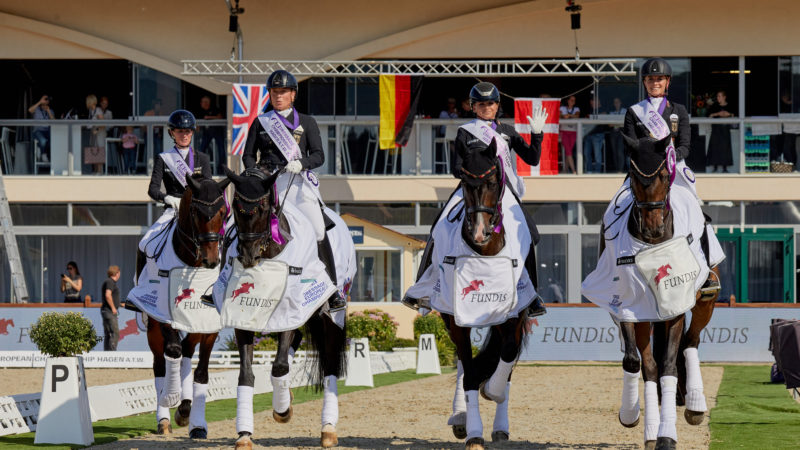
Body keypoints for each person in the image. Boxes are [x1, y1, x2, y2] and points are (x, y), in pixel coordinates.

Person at [434, 81, 548, 316]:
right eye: (482, 104)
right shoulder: (465, 132)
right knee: (440, 225)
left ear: (497, 106)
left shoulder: (507, 131)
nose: (487, 107)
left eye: (491, 103)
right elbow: (456, 168)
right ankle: (426, 286)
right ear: (473, 107)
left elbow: (533, 159)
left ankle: (531, 295)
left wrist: (537, 135)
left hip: (503, 191)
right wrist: (473, 174)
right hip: (472, 190)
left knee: (531, 233)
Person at [242, 69, 346, 312]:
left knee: (319, 229)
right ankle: (222, 281)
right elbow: (248, 155)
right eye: (274, 92)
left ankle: (332, 288)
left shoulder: (307, 122)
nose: (278, 96)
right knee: (236, 224)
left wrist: (301, 163)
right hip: (267, 183)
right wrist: (255, 174)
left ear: (293, 95)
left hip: (298, 182)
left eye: (283, 92)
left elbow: (319, 155)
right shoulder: (261, 121)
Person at [139, 110, 212, 254]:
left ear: (192, 132)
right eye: (179, 131)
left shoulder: (202, 158)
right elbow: (152, 189)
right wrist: (167, 198)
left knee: (218, 243)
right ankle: (142, 277)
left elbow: (208, 189)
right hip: (173, 210)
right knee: (145, 243)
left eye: (187, 131)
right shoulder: (163, 158)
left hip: (197, 211)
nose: (184, 135)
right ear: (172, 133)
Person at [624, 58, 694, 197]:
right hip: (643, 169)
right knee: (616, 206)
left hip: (674, 167)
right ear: (644, 82)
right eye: (650, 79)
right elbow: (630, 147)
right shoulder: (634, 111)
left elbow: (685, 146)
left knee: (692, 203)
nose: (655, 83)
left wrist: (671, 157)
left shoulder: (679, 110)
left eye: (660, 79)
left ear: (667, 82)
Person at [707, 90, 735, 172]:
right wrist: (718, 114)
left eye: (720, 96)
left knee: (725, 148)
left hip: (725, 130)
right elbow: (709, 116)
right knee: (715, 148)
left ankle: (725, 167)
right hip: (716, 130)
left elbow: (735, 115)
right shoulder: (714, 106)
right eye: (717, 96)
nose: (718, 98)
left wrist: (728, 114)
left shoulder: (730, 106)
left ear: (724, 97)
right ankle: (715, 167)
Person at [195, 95, 225, 173]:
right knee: (201, 149)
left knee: (221, 150)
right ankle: (200, 168)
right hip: (207, 134)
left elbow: (220, 117)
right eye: (203, 102)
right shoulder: (200, 111)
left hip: (217, 133)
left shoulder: (214, 109)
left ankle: (220, 169)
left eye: (206, 102)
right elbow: (198, 125)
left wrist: (209, 117)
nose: (204, 104)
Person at [582, 98, 609, 173]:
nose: (592, 102)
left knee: (597, 154)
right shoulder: (589, 110)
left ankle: (597, 171)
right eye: (591, 101)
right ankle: (589, 170)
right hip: (588, 135)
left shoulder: (602, 109)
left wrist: (593, 117)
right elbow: (585, 119)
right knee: (586, 153)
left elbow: (604, 115)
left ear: (598, 102)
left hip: (598, 134)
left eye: (593, 101)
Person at [28, 95, 55, 163]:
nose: (46, 101)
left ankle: (41, 149)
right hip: (38, 131)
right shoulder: (36, 109)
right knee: (43, 141)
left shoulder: (50, 110)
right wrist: (40, 101)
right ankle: (43, 154)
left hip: (47, 130)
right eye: (45, 99)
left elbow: (54, 121)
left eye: (47, 100)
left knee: (53, 140)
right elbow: (30, 110)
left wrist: (48, 111)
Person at [101, 265, 122, 351]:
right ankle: (112, 352)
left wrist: (120, 304)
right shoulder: (110, 282)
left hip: (106, 311)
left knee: (108, 333)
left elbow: (111, 296)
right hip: (109, 311)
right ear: (117, 273)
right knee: (114, 332)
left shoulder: (109, 282)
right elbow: (108, 295)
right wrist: (113, 308)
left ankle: (107, 353)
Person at [86, 94, 105, 174]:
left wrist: (97, 129)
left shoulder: (98, 110)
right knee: (94, 151)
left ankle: (100, 171)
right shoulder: (91, 111)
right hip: (93, 133)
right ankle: (95, 170)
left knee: (99, 151)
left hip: (99, 133)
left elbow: (103, 123)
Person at [559, 95, 579, 174]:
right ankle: (574, 170)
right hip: (564, 131)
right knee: (568, 151)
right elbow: (559, 115)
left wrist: (569, 115)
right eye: (571, 100)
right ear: (567, 101)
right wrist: (564, 116)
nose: (572, 102)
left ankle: (565, 169)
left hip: (573, 131)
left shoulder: (576, 109)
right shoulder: (562, 108)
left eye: (574, 100)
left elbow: (577, 115)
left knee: (569, 151)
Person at [608, 97, 628, 172]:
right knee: (614, 152)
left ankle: (620, 170)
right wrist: (618, 123)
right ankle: (617, 169)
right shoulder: (612, 112)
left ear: (620, 103)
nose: (616, 104)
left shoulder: (624, 111)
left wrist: (616, 123)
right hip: (613, 133)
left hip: (621, 133)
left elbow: (625, 123)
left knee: (620, 151)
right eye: (615, 102)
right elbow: (609, 124)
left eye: (617, 102)